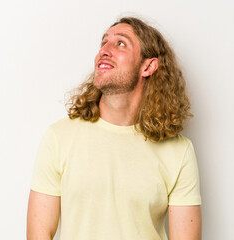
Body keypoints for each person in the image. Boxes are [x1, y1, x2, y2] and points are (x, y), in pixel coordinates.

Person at [27, 16, 202, 240]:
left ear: (148, 66)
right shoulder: (59, 137)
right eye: (103, 43)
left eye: (120, 43)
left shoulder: (179, 151)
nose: (104, 50)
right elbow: (38, 234)